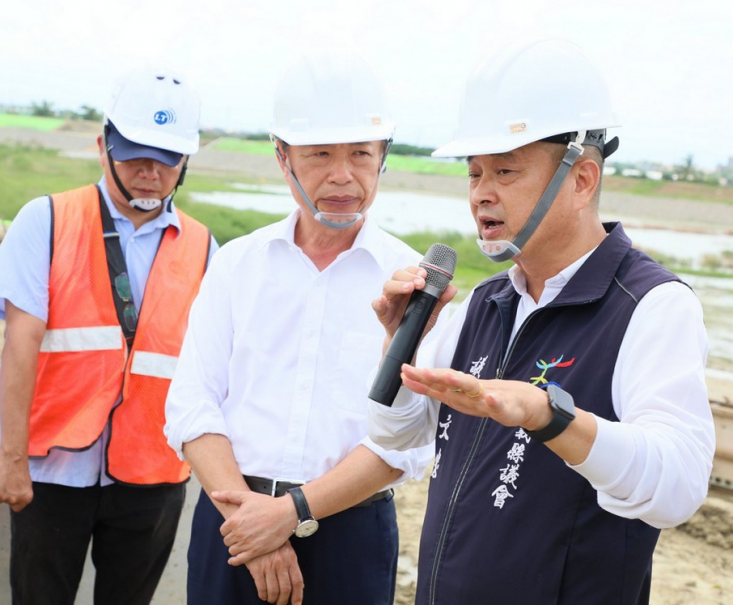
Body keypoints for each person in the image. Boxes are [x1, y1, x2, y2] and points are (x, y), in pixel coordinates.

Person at [367, 38, 716, 605]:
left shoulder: (651, 306)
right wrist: (397, 345)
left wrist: (549, 416)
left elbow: (676, 487)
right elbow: (396, 435)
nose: (482, 194)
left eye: (505, 171)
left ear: (581, 180)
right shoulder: (481, 303)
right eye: (474, 174)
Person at [164, 49, 435, 605]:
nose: (342, 175)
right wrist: (256, 528)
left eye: (361, 153)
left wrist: (290, 513)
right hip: (230, 525)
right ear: (283, 156)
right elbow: (193, 403)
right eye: (319, 154)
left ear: (384, 156)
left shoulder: (411, 282)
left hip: (349, 536)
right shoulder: (238, 263)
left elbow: (406, 440)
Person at [0, 66, 217, 604]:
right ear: (103, 145)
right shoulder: (46, 220)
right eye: (135, 151)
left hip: (153, 475)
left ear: (184, 163)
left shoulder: (206, 249)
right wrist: (12, 458)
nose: (149, 171)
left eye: (167, 158)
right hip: (53, 471)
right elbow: (18, 345)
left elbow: (209, 370)